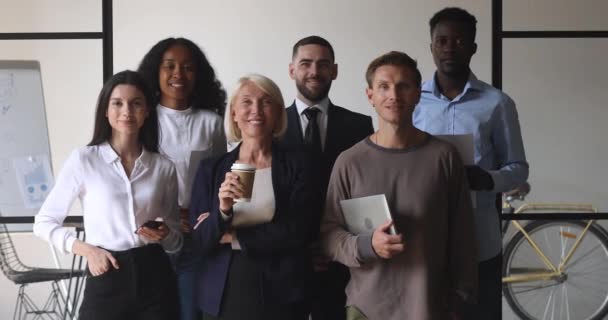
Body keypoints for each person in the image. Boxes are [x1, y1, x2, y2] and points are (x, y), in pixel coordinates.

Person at [320, 51, 477, 320]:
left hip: (432, 308)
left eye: (403, 86)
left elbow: (463, 235)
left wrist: (460, 297)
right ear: (370, 95)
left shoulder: (444, 157)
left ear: (418, 94)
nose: (394, 95)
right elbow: (329, 236)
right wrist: (368, 246)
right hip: (366, 308)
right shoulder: (349, 162)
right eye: (384, 86)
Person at [33, 70, 182, 320]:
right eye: (117, 103)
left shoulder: (163, 167)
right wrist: (88, 250)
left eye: (136, 103)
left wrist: (166, 234)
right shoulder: (83, 160)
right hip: (106, 270)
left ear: (147, 111)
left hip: (155, 274)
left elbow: (176, 241)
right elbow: (43, 223)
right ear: (105, 110)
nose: (127, 111)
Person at [413, 7, 529, 319]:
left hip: (480, 238)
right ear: (432, 47)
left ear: (474, 48)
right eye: (442, 40)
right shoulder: (411, 100)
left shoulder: (497, 103)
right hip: (423, 235)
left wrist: (487, 180)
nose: (450, 48)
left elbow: (518, 167)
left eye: (460, 41)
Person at [189, 74, 320, 320]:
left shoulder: (298, 164)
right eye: (247, 102)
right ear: (234, 114)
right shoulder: (211, 168)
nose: (256, 110)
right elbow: (200, 239)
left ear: (278, 113)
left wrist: (235, 237)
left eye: (266, 102)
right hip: (225, 287)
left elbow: (298, 230)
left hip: (282, 286)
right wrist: (223, 211)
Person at [280, 35, 374, 320]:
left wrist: (334, 246)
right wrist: (300, 249)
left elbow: (363, 195)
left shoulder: (360, 125)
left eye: (323, 64)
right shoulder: (271, 127)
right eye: (305, 63)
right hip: (287, 262)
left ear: (334, 71)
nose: (314, 71)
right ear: (292, 70)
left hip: (341, 263)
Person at [138, 37, 227, 320]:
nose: (178, 74)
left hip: (193, 237)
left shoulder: (211, 122)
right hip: (151, 236)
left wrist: (202, 213)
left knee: (190, 313)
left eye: (188, 67)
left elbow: (217, 180)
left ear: (198, 75)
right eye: (170, 66)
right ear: (157, 71)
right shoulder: (143, 119)